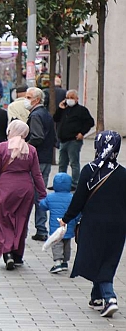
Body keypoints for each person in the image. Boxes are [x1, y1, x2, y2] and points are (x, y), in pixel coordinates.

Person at [60, 131, 126, 318]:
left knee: (95, 257)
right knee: (108, 258)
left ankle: (109, 297)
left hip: (93, 224)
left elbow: (79, 199)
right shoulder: (123, 173)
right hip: (118, 225)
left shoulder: (90, 170)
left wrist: (66, 218)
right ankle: (96, 297)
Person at [0, 120, 47, 270]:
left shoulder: (2, 147)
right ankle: (17, 254)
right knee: (21, 220)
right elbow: (37, 174)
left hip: (6, 187)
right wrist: (42, 194)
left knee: (4, 219)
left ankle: (7, 251)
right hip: (25, 188)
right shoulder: (31, 150)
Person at [25, 87, 56, 241]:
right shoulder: (46, 114)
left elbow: (37, 137)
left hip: (36, 159)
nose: (26, 99)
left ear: (37, 100)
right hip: (45, 157)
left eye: (29, 97)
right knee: (40, 193)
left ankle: (39, 228)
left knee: (33, 195)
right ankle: (41, 228)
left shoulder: (36, 115)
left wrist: (25, 146)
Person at [53, 90, 95, 190]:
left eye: (72, 97)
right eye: (67, 97)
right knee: (62, 163)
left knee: (74, 163)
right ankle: (60, 182)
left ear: (76, 99)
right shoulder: (64, 109)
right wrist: (60, 108)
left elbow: (90, 122)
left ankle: (75, 183)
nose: (69, 100)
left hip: (74, 140)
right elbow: (55, 118)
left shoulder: (81, 110)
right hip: (63, 140)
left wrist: (82, 133)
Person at [39, 172, 78, 274]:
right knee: (66, 243)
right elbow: (78, 211)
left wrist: (40, 200)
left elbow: (43, 206)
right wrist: (76, 221)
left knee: (56, 243)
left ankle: (57, 263)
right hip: (68, 225)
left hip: (56, 227)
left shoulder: (50, 197)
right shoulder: (72, 198)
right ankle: (65, 262)